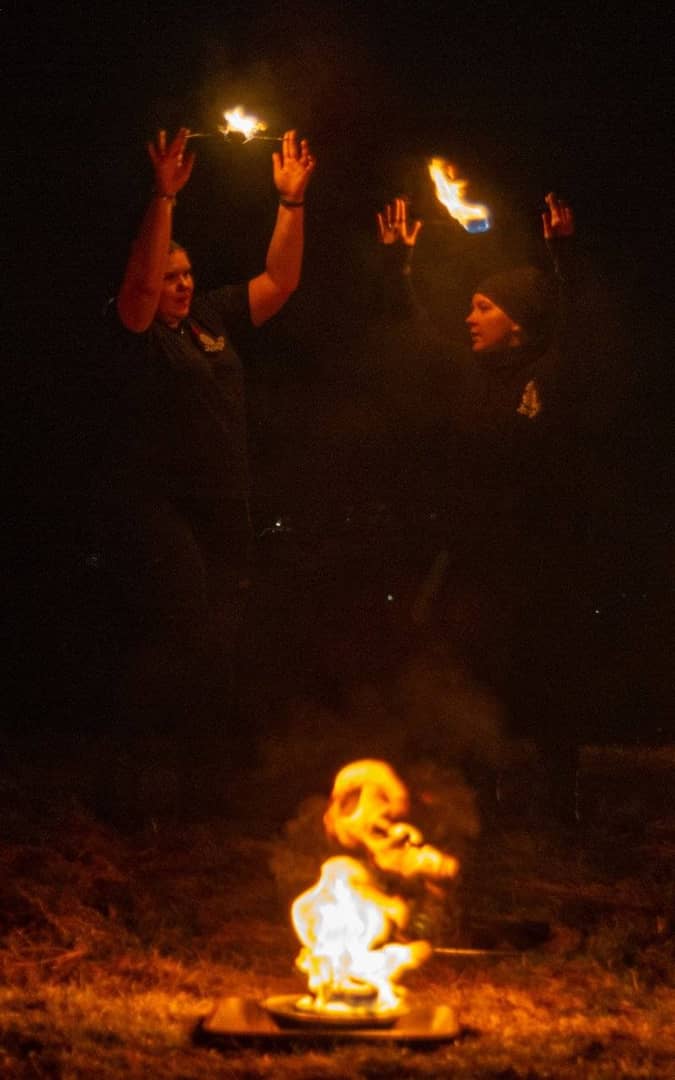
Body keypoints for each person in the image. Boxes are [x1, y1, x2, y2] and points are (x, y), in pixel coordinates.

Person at [374, 192, 619, 822]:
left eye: (484, 307)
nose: (469, 317)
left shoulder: (551, 373)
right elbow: (416, 333)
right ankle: (479, 794)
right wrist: (400, 264)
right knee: (475, 673)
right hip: (478, 558)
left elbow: (582, 323)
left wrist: (564, 254)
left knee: (549, 674)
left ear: (519, 322)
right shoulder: (468, 376)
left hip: (543, 556)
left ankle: (560, 798)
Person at [96, 126, 315, 822]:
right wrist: (164, 196)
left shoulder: (210, 317)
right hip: (163, 506)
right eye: (172, 275)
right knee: (183, 634)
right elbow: (139, 282)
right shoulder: (137, 328)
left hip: (226, 507)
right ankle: (127, 775)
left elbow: (280, 281)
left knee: (218, 646)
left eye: (187, 273)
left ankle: (202, 784)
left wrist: (290, 204)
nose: (183, 284)